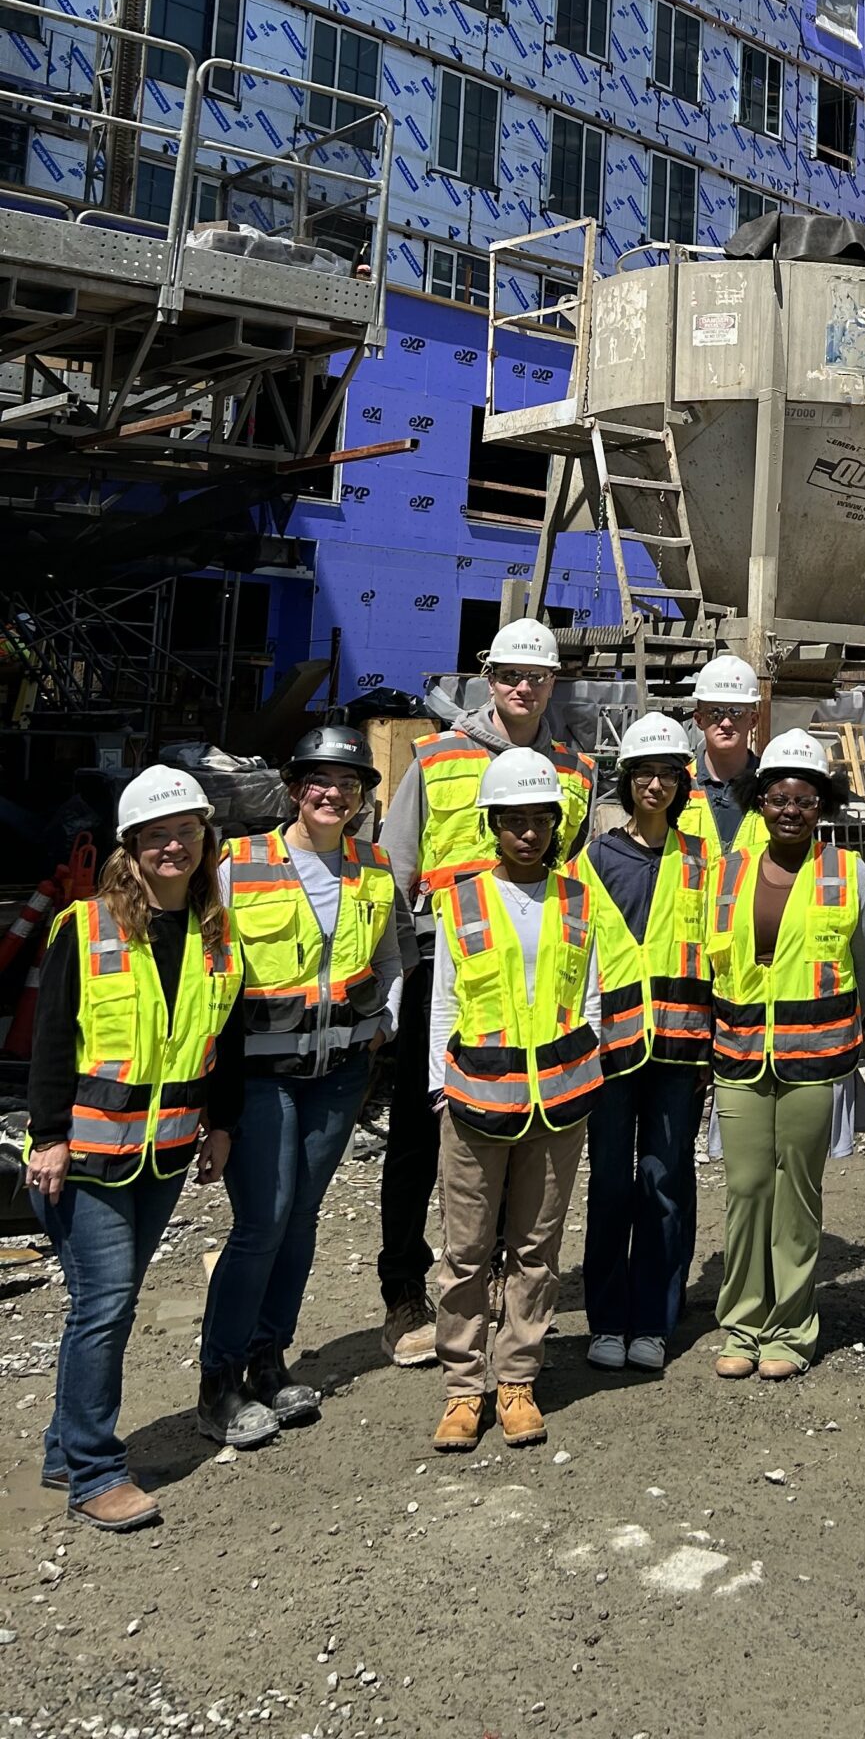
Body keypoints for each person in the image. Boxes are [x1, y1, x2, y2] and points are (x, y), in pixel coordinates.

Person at [23, 768, 244, 1531]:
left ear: (203, 839)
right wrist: (46, 1139)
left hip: (165, 1155)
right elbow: (51, 1040)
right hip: (84, 1156)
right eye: (158, 836)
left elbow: (228, 1045)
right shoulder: (85, 927)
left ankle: (62, 1447)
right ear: (132, 848)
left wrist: (220, 1128)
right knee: (107, 1303)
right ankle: (93, 1469)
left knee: (101, 1302)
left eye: (186, 832)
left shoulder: (218, 932)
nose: (173, 846)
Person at [377, 619, 591, 1366]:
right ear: (487, 676)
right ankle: (404, 1287)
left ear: (552, 683)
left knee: (517, 1128)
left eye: (535, 675)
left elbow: (575, 883)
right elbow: (394, 871)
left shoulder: (575, 770)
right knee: (418, 1132)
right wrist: (399, 975)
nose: (521, 686)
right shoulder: (436, 759)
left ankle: (500, 1281)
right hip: (446, 965)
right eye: (508, 673)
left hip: (532, 973)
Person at [198, 726, 406, 1450]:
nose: (333, 794)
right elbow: (206, 963)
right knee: (264, 1218)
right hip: (259, 1074)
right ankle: (219, 1380)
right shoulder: (238, 864)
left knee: (305, 1217)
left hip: (339, 1072)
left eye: (348, 785)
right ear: (294, 789)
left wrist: (385, 1022)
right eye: (320, 781)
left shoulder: (373, 867)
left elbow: (392, 953)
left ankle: (268, 1358)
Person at [429, 748, 602, 1453]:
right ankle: (464, 1389)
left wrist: (588, 1077)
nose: (528, 833)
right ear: (493, 826)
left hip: (558, 1105)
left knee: (536, 1249)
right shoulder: (463, 899)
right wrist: (438, 1092)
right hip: (475, 1102)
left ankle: (518, 1379)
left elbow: (588, 993)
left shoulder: (577, 898)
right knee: (466, 1253)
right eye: (514, 821)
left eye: (540, 820)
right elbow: (443, 999)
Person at [705, 730, 865, 1381]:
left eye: (804, 799)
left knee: (798, 1194)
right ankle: (743, 1323)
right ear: (759, 802)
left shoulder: (849, 874)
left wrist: (840, 1024)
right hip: (739, 1057)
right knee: (747, 1189)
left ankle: (790, 1329)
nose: (790, 810)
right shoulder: (726, 875)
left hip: (815, 1060)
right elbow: (710, 966)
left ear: (821, 807)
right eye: (778, 797)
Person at [574, 712, 711, 1375]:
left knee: (665, 1180)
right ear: (624, 783)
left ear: (683, 783)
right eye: (643, 774)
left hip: (681, 1052)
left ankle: (655, 1316)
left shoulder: (701, 862)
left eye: (667, 773)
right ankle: (607, 1317)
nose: (655, 785)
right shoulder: (594, 861)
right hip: (610, 1053)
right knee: (609, 1184)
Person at [684, 652, 765, 859]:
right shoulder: (676, 785)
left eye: (736, 712)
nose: (726, 723)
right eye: (715, 712)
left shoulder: (771, 787)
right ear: (699, 720)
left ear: (753, 720)